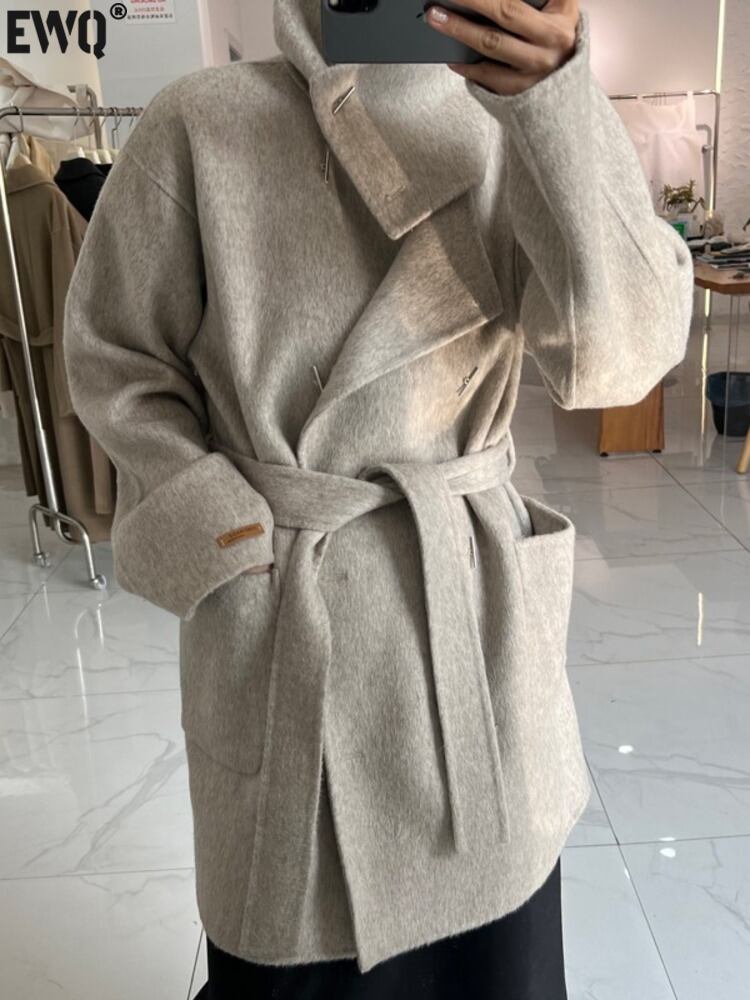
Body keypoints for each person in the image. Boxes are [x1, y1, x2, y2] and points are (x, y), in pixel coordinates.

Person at [62, 1, 695, 997]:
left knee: (488, 965)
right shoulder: (202, 120)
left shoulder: (520, 126)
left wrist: (559, 103)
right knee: (296, 954)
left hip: (466, 621)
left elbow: (619, 361)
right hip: (288, 605)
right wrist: (225, 535)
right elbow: (115, 360)